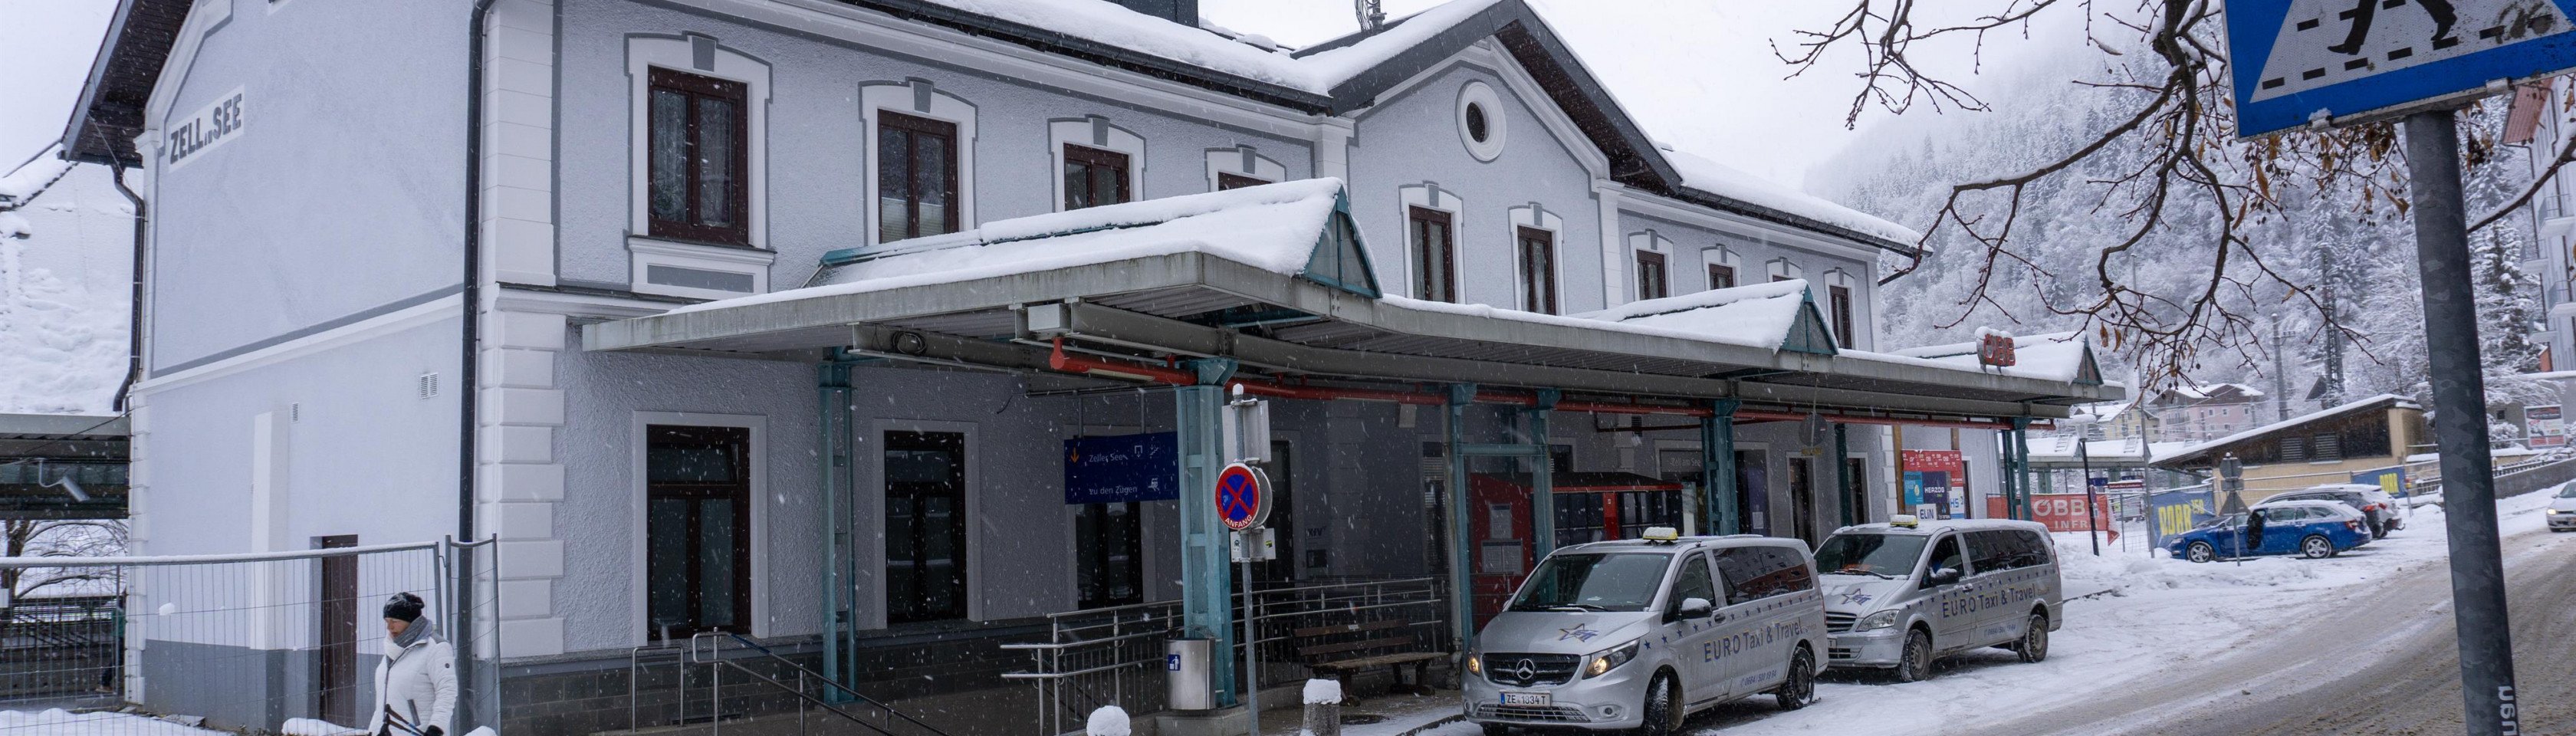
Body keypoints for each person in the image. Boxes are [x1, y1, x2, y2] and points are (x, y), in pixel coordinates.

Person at [366, 593, 455, 736]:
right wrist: (374, 729)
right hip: (386, 731)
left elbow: (447, 691)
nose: (389, 627)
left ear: (412, 621)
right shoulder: (392, 647)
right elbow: (384, 698)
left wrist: (436, 728)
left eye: (395, 621)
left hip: (418, 731)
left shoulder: (436, 647)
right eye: (387, 621)